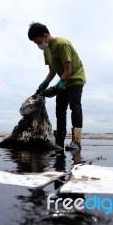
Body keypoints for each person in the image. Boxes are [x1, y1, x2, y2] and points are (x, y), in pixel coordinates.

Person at [28, 22, 86, 152]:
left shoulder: (62, 44)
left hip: (75, 78)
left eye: (38, 42)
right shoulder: (46, 51)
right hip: (63, 80)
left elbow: (68, 70)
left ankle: (76, 141)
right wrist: (43, 85)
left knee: (74, 106)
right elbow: (52, 71)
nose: (39, 45)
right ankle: (59, 142)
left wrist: (57, 86)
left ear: (45, 35)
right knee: (60, 109)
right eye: (36, 44)